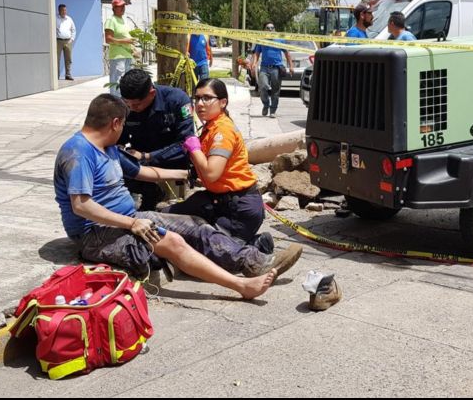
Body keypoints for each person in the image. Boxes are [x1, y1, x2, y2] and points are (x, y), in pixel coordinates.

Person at [53, 94, 278, 300]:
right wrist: (132, 223)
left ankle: (254, 262)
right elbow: (81, 206)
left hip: (129, 218)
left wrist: (187, 175)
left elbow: (141, 172)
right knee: (173, 241)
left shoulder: (108, 147)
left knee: (195, 225)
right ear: (115, 123)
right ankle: (242, 286)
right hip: (95, 233)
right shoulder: (79, 152)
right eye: (123, 125)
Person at [168, 79, 303, 268]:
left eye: (207, 98)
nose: (200, 104)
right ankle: (243, 242)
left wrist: (194, 149)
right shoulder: (210, 126)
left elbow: (211, 174)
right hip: (217, 200)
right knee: (169, 219)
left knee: (203, 257)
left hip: (238, 209)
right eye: (197, 98)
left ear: (223, 102)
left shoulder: (222, 131)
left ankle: (256, 249)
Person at [117, 69, 195, 211]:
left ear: (152, 93)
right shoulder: (125, 106)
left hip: (172, 162)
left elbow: (185, 144)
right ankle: (148, 197)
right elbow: (118, 139)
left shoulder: (177, 100)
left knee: (174, 210)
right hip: (139, 165)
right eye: (128, 104)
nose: (131, 109)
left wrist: (147, 156)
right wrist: (121, 150)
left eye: (136, 105)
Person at [251, 23, 294, 118]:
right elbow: (257, 53)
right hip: (264, 68)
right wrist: (254, 63)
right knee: (263, 87)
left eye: (272, 28)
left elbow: (287, 53)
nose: (270, 29)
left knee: (275, 90)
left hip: (276, 68)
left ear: (275, 29)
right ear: (264, 30)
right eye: (268, 28)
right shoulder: (261, 40)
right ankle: (266, 104)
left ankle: (273, 110)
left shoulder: (280, 39)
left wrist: (291, 66)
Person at [104, 0, 135, 96]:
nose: (122, 8)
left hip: (127, 54)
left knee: (127, 81)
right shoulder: (111, 20)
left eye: (123, 6)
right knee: (117, 81)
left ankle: (124, 102)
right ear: (114, 8)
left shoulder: (123, 20)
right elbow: (108, 39)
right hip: (118, 56)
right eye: (120, 6)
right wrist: (125, 41)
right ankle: (115, 102)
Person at [56, 4, 76, 81]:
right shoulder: (55, 18)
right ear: (59, 11)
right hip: (58, 41)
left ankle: (68, 75)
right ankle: (56, 76)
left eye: (65, 10)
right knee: (56, 59)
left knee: (68, 59)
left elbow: (73, 30)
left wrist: (72, 39)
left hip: (68, 41)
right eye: (62, 10)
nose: (64, 12)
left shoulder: (69, 19)